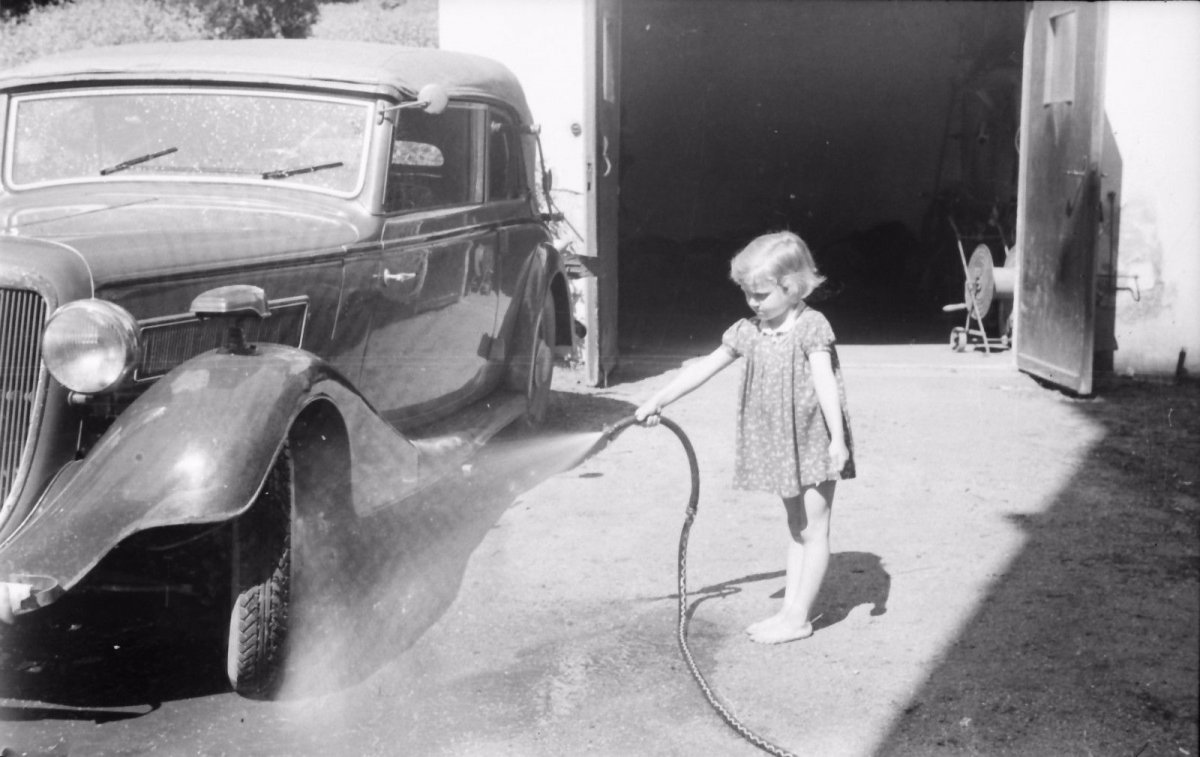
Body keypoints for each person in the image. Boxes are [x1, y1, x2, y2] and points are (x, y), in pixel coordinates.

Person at [635, 230, 855, 644]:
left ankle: (799, 618)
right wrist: (657, 400)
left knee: (814, 528)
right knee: (796, 526)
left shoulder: (811, 326)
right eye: (748, 294)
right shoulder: (749, 331)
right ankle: (790, 611)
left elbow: (826, 383)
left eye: (761, 294)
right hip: (780, 445)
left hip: (813, 440)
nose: (753, 302)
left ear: (792, 287)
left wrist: (838, 439)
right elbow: (703, 367)